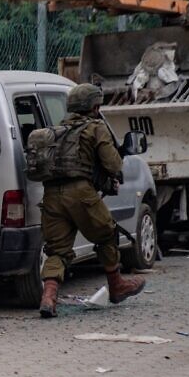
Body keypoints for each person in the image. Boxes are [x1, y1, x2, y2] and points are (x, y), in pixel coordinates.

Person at [37, 83, 145, 317]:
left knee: (57, 249)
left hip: (52, 196)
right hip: (81, 194)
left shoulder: (57, 131)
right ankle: (116, 285)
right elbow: (114, 164)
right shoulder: (96, 128)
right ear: (95, 106)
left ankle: (48, 298)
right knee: (107, 234)